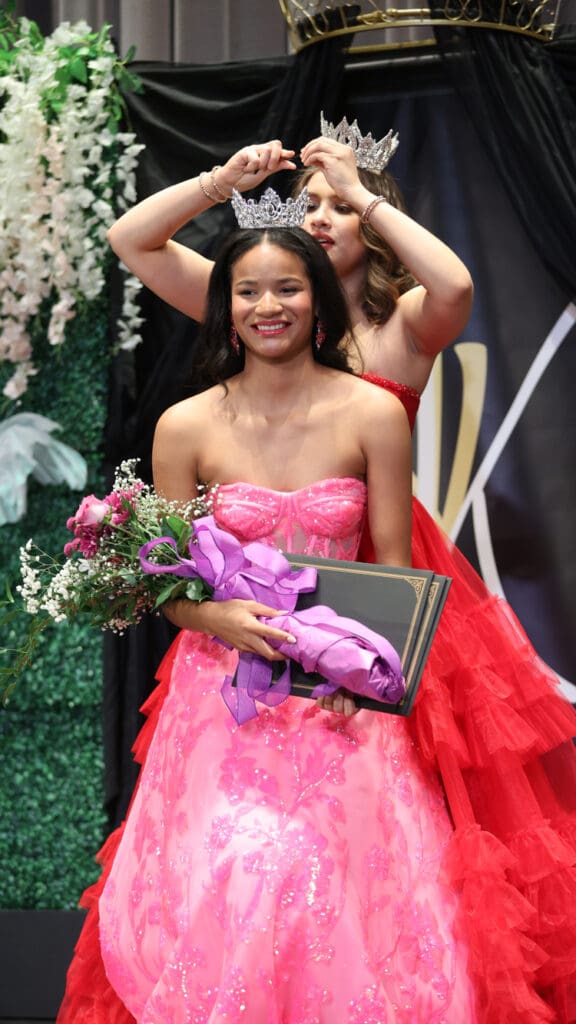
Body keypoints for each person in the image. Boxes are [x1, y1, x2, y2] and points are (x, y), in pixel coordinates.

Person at [57, 215, 486, 1023]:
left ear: (317, 300)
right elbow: (166, 588)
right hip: (227, 698)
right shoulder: (185, 425)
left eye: (287, 288)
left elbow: (393, 570)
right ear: (225, 308)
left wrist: (366, 679)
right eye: (248, 291)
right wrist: (217, 618)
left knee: (336, 894)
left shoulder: (373, 413)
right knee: (243, 874)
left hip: (339, 698)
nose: (269, 306)